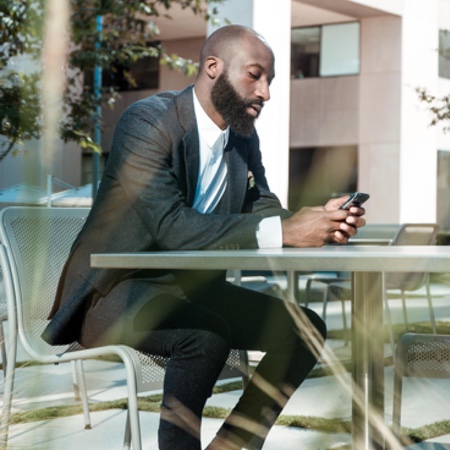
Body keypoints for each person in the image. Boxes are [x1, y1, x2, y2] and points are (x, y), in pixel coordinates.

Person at [43, 24, 366, 450]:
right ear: (213, 67)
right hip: (115, 292)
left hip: (189, 290)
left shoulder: (242, 136)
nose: (266, 92)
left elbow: (261, 208)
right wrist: (284, 230)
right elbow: (172, 227)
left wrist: (317, 221)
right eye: (255, 75)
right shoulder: (147, 123)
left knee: (305, 326)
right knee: (205, 336)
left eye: (270, 80)